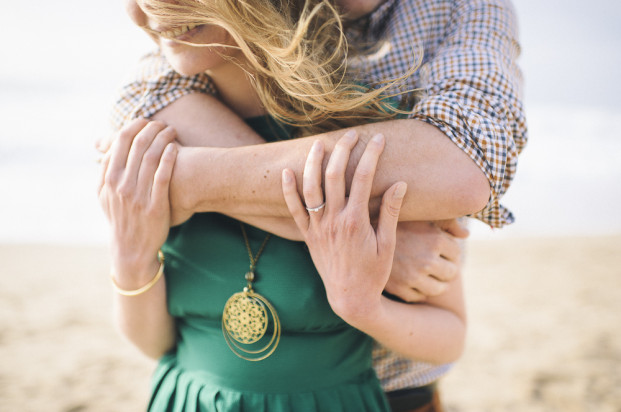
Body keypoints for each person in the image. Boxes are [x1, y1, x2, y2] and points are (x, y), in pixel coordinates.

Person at [102, 0, 527, 410]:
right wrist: (131, 256)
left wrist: (192, 181)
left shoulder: (370, 138)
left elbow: (463, 166)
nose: (151, 13)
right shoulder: (162, 125)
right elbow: (154, 344)